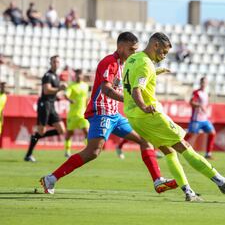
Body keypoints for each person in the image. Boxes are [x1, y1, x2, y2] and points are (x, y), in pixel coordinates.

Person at [39, 32, 177, 195]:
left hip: (115, 115)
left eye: (136, 49)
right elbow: (106, 90)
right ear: (120, 47)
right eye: (131, 49)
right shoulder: (109, 62)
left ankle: (157, 181)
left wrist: (155, 72)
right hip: (102, 112)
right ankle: (51, 178)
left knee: (145, 140)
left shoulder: (123, 64)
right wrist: (131, 100)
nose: (134, 53)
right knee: (93, 152)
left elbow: (136, 78)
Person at [122, 32, 225, 202]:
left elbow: (133, 79)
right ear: (155, 45)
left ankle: (189, 192)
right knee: (184, 146)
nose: (164, 56)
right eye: (163, 52)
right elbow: (137, 89)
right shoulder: (146, 65)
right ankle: (221, 181)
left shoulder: (133, 59)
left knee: (169, 150)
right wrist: (144, 106)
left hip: (133, 117)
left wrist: (156, 72)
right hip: (149, 115)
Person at [24, 55, 67, 162]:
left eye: (57, 62)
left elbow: (52, 92)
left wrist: (57, 97)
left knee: (61, 130)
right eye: (54, 62)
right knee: (42, 131)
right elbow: (47, 90)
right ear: (50, 63)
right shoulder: (47, 75)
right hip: (44, 105)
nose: (56, 63)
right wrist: (59, 88)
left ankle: (36, 136)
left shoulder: (56, 76)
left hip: (51, 105)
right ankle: (28, 155)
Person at [184, 77, 216, 159]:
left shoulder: (206, 93)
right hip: (196, 119)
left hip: (204, 119)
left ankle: (208, 154)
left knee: (212, 133)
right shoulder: (196, 92)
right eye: (202, 82)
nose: (204, 84)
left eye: (205, 82)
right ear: (200, 83)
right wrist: (199, 105)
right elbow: (191, 102)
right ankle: (175, 146)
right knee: (190, 135)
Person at [63, 69, 89, 158]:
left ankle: (87, 149)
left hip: (83, 114)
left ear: (82, 76)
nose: (78, 76)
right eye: (77, 74)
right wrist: (69, 99)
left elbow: (86, 99)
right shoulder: (71, 85)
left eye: (80, 74)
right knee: (69, 133)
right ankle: (67, 150)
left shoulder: (85, 86)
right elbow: (66, 94)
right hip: (73, 114)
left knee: (87, 131)